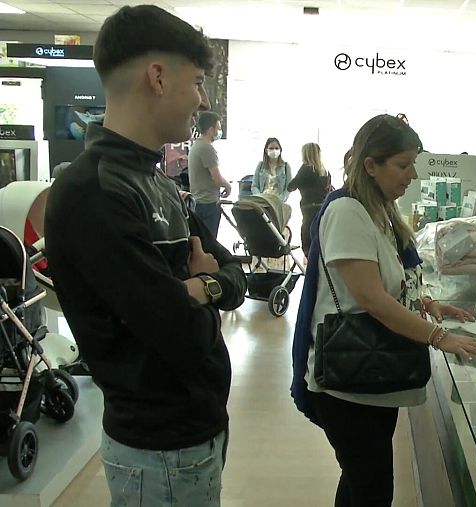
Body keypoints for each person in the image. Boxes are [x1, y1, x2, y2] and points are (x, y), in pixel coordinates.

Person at [44, 6, 246, 506]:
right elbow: (182, 334)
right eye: (197, 82)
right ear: (157, 77)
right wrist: (208, 288)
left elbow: (235, 276)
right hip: (159, 448)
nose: (203, 100)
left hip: (195, 432)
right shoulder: (94, 191)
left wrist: (202, 287)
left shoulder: (157, 182)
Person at [290, 114, 476, 507]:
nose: (413, 175)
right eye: (404, 165)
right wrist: (439, 337)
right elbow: (371, 298)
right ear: (371, 165)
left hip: (371, 378)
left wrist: (428, 303)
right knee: (372, 488)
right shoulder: (347, 212)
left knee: (359, 483)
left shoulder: (380, 210)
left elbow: (393, 278)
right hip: (348, 385)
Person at [189, 110, 231, 236]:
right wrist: (228, 186)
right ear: (211, 130)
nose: (219, 131)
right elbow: (217, 179)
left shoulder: (196, 145)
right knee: (209, 241)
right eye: (218, 128)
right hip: (208, 204)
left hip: (197, 201)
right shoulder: (207, 148)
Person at [286, 142, 332, 256]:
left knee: (307, 245)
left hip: (309, 210)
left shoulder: (305, 169)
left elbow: (290, 187)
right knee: (320, 242)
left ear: (305, 154)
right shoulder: (325, 171)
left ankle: (310, 266)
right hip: (323, 208)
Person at [251, 137, 292, 202]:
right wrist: (260, 197)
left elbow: (288, 188)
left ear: (280, 150)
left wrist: (280, 200)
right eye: (271, 148)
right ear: (266, 150)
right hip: (262, 200)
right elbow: (254, 186)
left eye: (276, 148)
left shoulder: (286, 166)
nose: (274, 151)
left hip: (278, 201)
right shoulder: (260, 165)